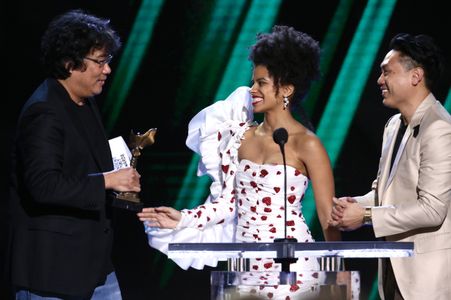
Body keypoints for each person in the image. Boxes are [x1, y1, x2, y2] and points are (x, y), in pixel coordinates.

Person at [138, 25, 341, 299]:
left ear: (287, 90)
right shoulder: (238, 137)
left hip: (293, 264)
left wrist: (338, 271)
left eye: (262, 83)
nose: (252, 89)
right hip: (245, 264)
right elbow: (228, 204)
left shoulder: (307, 144)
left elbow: (329, 217)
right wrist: (183, 219)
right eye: (253, 81)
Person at [8, 9, 141, 300]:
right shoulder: (44, 112)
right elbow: (44, 185)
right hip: (54, 274)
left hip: (95, 267)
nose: (107, 69)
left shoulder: (84, 101)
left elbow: (87, 164)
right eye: (99, 61)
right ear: (70, 63)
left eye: (108, 60)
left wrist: (123, 178)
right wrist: (108, 179)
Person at [329, 33, 451, 299]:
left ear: (415, 77)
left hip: (425, 279)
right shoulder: (393, 125)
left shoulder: (440, 129)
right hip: (393, 269)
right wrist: (352, 205)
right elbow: (384, 194)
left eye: (387, 72)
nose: (379, 80)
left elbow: (433, 210)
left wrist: (365, 216)